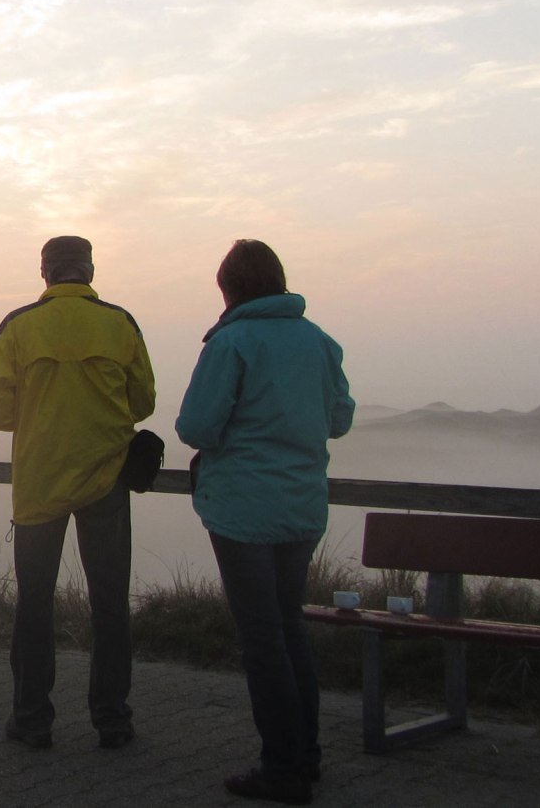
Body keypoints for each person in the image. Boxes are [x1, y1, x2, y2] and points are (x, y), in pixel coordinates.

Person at [175, 239, 354, 805]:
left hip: (243, 511)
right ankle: (308, 754)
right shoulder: (319, 341)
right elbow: (340, 419)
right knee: (289, 626)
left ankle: (282, 768)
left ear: (229, 290)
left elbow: (198, 425)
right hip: (302, 508)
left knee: (262, 639)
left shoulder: (232, 342)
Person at [0, 236, 155, 751]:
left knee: (34, 604)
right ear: (91, 269)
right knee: (110, 603)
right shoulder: (120, 324)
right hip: (107, 479)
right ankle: (113, 719)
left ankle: (32, 720)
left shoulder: (19, 326)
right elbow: (142, 400)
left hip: (38, 483)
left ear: (45, 273)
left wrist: (33, 418)